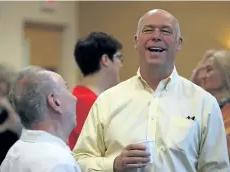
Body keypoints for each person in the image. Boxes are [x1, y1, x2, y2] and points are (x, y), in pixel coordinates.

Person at [74, 9, 230, 172]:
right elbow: (80, 160)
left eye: (165, 31)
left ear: (179, 43)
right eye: (148, 30)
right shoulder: (107, 101)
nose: (156, 36)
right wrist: (113, 164)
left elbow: (216, 168)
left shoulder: (203, 103)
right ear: (136, 41)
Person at [0, 66, 81, 172]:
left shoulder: (13, 154)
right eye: (67, 88)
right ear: (55, 102)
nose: (75, 98)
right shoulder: (60, 163)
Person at [68, 32, 123, 149]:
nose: (121, 65)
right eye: (119, 57)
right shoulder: (86, 103)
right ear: (105, 60)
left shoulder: (79, 97)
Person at [191, 49, 230, 158]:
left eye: (209, 70)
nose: (202, 76)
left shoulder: (226, 110)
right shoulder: (207, 105)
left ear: (225, 72)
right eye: (201, 71)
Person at [0, 63, 22, 169]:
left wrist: (8, 107)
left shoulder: (15, 104)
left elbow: (20, 129)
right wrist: (3, 127)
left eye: (1, 81)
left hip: (10, 160)